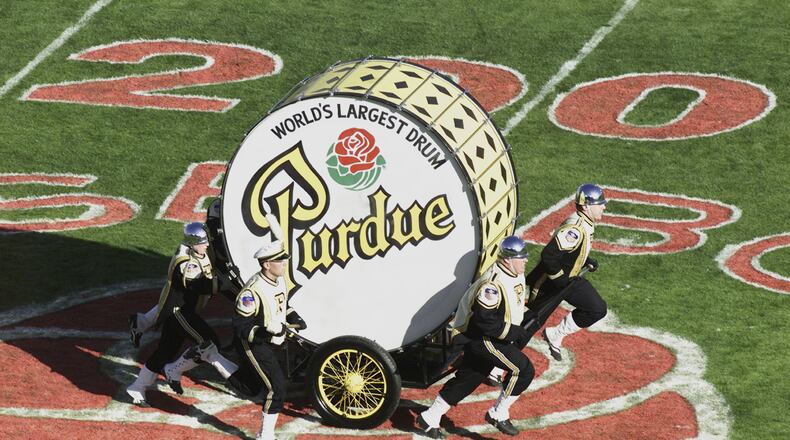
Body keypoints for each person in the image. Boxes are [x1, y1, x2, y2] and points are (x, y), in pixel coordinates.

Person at [417, 236, 533, 438]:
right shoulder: (492, 285)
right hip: (479, 337)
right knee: (523, 369)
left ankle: (429, 417)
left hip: (489, 335)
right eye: (521, 257)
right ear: (507, 260)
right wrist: (515, 332)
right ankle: (498, 413)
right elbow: (485, 322)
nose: (526, 260)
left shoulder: (515, 273)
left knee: (470, 377)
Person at [125, 222, 238, 406]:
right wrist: (223, 283)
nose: (207, 245)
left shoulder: (198, 251)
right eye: (203, 242)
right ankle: (174, 370)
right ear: (193, 243)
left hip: (184, 311)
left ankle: (138, 386)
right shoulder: (185, 262)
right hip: (179, 312)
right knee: (209, 344)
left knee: (165, 351)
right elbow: (198, 286)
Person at [128, 198, 237, 347]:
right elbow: (218, 238)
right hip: (211, 262)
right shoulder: (219, 206)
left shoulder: (224, 202)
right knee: (188, 299)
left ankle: (142, 322)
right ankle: (240, 340)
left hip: (214, 261)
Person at [523, 183, 608, 361]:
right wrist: (560, 280)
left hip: (567, 280)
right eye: (599, 203)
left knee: (596, 308)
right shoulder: (575, 229)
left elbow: (570, 252)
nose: (604, 207)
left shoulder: (585, 223)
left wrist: (585, 261)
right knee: (528, 324)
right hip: (548, 283)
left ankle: (556, 334)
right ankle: (496, 366)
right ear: (586, 206)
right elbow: (549, 256)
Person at [229, 239, 302, 440]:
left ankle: (214, 357)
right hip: (254, 344)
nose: (284, 263)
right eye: (279, 260)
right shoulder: (251, 292)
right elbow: (241, 328)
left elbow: (282, 305)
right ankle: (265, 435)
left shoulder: (279, 280)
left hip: (273, 342)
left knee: (253, 387)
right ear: (266, 264)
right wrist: (268, 332)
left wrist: (294, 317)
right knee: (277, 387)